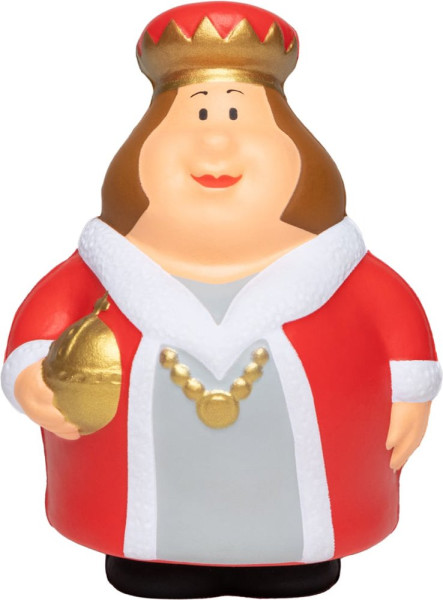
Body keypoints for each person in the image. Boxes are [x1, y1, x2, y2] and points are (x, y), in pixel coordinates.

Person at [2, 2, 441, 597]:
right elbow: (38, 329)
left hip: (310, 503)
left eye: (236, 113)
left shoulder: (345, 273)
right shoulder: (101, 271)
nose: (215, 142)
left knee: (302, 531)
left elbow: (401, 328)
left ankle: (295, 556)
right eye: (197, 114)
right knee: (147, 534)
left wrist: (411, 394)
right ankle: (154, 558)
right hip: (130, 504)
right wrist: (31, 376)